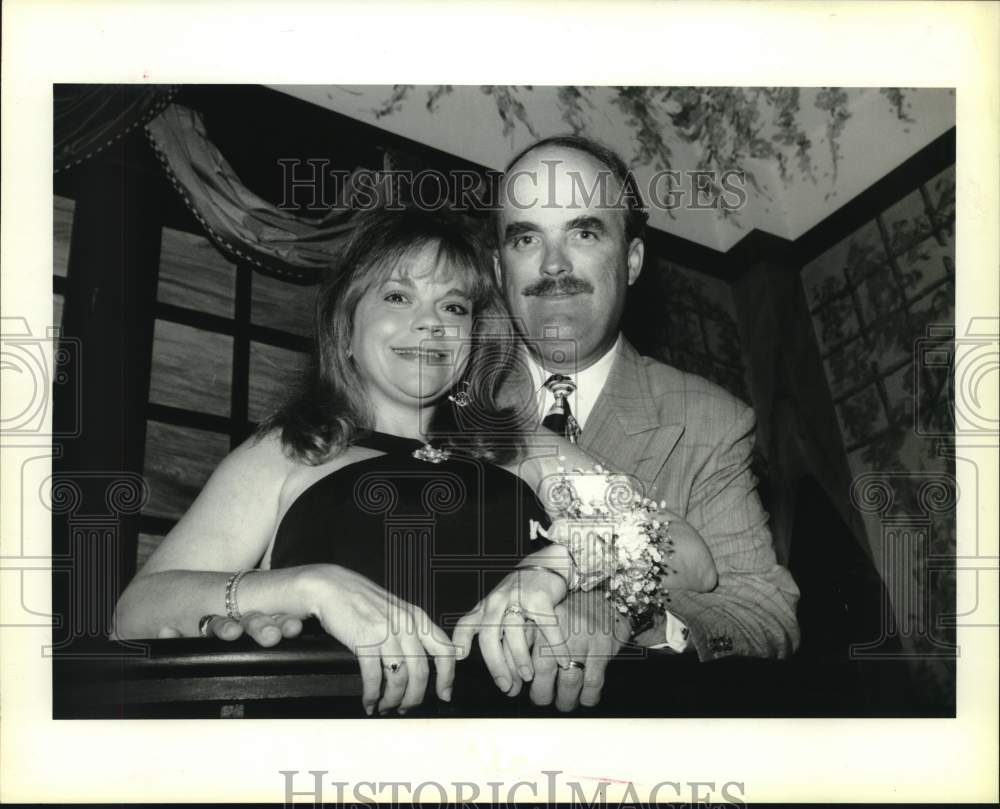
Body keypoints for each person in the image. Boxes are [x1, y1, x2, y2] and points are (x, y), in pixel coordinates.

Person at [112, 205, 720, 716]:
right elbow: (135, 612)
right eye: (398, 296)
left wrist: (555, 570)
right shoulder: (288, 450)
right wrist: (311, 586)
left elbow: (689, 556)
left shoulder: (525, 447)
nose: (429, 322)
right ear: (346, 328)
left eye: (454, 307)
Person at [452, 135, 800, 712]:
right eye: (526, 237)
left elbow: (767, 615)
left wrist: (624, 617)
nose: (553, 265)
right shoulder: (446, 391)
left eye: (583, 233)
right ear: (498, 268)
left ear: (631, 260)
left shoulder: (710, 421)